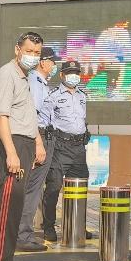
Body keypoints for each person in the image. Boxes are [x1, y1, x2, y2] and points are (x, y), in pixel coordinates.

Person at [0, 32, 47, 261]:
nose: (33, 56)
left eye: (37, 53)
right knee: (6, 207)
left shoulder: (25, 77)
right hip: (11, 145)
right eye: (29, 51)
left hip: (24, 144)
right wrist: (11, 153)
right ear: (17, 49)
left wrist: (37, 143)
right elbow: (1, 116)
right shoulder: (7, 75)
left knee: (15, 208)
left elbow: (28, 116)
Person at [40, 60, 91, 242]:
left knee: (79, 189)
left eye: (76, 73)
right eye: (70, 73)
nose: (73, 76)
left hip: (79, 148)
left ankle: (77, 226)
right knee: (54, 187)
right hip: (60, 147)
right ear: (62, 75)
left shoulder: (82, 96)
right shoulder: (53, 96)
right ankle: (48, 226)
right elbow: (43, 121)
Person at [18, 47, 59, 251]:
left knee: (34, 189)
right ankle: (23, 235)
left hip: (45, 136)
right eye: (52, 62)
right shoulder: (35, 81)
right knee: (32, 189)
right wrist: (38, 143)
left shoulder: (42, 82)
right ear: (43, 62)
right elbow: (32, 114)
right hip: (38, 136)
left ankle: (25, 233)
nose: (54, 66)